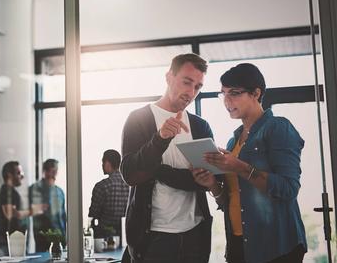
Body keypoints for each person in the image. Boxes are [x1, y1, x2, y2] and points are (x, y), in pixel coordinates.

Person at [193, 63, 307, 263]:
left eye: (234, 93)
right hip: (239, 245)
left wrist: (239, 167)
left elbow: (289, 188)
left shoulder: (278, 128)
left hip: (276, 246)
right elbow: (230, 201)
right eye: (223, 94)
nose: (227, 101)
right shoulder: (233, 141)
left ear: (256, 93)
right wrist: (211, 183)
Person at [121, 53, 214, 263]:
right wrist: (160, 139)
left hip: (195, 235)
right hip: (153, 237)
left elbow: (206, 181)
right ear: (169, 77)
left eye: (198, 87)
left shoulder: (200, 126)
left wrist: (159, 171)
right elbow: (130, 174)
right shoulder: (139, 119)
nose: (191, 92)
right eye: (186, 82)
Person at [88, 149, 129, 238]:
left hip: (105, 236)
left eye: (103, 162)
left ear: (107, 163)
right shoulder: (130, 185)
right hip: (126, 236)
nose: (102, 165)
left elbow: (92, 215)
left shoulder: (102, 186)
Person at [29, 159, 66, 252]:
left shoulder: (59, 191)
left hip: (59, 234)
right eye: (53, 170)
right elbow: (37, 209)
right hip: (43, 235)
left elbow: (63, 215)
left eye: (56, 171)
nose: (55, 174)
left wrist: (65, 234)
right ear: (45, 171)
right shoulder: (35, 188)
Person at [0, 161, 30, 255]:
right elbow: (10, 214)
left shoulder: (11, 192)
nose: (22, 176)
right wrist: (33, 211)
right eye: (18, 173)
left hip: (13, 242)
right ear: (9, 175)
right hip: (9, 243)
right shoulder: (7, 192)